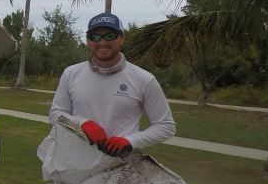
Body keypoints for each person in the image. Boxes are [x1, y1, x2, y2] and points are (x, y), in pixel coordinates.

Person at [49, 13, 175, 155]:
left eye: (110, 36)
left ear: (122, 38)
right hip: (74, 161)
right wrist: (82, 124)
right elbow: (55, 114)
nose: (102, 42)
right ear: (88, 40)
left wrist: (130, 140)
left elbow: (165, 126)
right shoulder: (71, 73)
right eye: (95, 37)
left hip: (120, 164)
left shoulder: (144, 79)